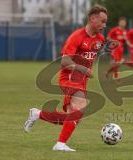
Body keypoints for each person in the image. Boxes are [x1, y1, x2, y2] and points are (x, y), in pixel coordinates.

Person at [24, 5, 107, 152]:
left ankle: (37, 114)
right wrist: (83, 69)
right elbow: (65, 62)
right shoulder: (76, 37)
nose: (104, 25)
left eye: (105, 22)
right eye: (102, 21)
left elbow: (89, 57)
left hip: (82, 80)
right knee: (79, 109)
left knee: (72, 117)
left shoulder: (100, 39)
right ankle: (60, 144)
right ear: (92, 19)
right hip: (68, 78)